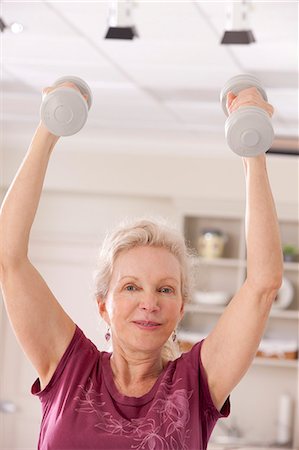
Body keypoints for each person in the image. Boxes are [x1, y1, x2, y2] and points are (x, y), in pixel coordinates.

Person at [0, 82, 283, 450]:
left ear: (180, 307)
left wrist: (253, 152)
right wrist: (48, 129)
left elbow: (263, 283)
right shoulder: (69, 367)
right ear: (103, 304)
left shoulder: (196, 383)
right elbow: (8, 257)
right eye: (131, 287)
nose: (149, 302)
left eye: (165, 289)